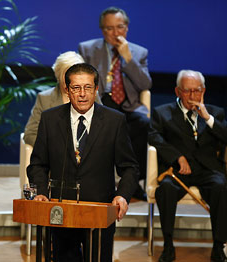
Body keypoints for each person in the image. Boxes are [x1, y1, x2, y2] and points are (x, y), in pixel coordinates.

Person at [27, 63, 139, 262]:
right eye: (76, 88)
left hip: (99, 211)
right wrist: (42, 193)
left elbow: (129, 167)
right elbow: (38, 164)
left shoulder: (114, 121)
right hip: (61, 210)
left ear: (96, 89)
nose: (82, 94)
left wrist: (122, 195)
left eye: (88, 87)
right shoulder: (50, 119)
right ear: (67, 90)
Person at [149, 70, 227, 262]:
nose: (193, 96)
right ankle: (168, 245)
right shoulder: (163, 113)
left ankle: (219, 246)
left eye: (197, 91)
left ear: (204, 91)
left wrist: (207, 118)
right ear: (177, 91)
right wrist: (177, 157)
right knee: (165, 189)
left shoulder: (215, 113)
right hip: (178, 171)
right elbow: (153, 136)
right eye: (187, 91)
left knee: (221, 186)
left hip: (207, 170)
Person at [78, 6, 151, 200]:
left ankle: (133, 184)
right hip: (102, 101)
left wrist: (128, 58)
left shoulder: (139, 52)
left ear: (126, 28)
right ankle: (99, 184)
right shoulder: (87, 49)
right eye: (109, 28)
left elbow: (145, 84)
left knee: (143, 124)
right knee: (103, 121)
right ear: (102, 30)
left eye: (119, 27)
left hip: (129, 105)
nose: (115, 33)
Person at [23, 51, 101, 146]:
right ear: (58, 74)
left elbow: (104, 128)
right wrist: (52, 148)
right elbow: (30, 134)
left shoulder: (92, 95)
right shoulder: (45, 99)